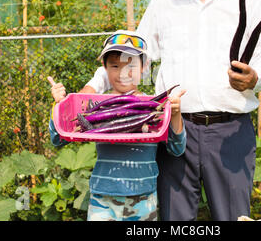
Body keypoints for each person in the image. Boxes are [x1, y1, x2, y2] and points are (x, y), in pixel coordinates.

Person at [82, 0, 261, 221]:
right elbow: (136, 55)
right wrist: (93, 87)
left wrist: (255, 78)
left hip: (231, 131)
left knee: (233, 217)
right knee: (175, 220)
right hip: (174, 129)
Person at [48, 30, 187, 221]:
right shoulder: (95, 107)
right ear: (104, 68)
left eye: (131, 65)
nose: (123, 73)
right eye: (114, 65)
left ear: (144, 67)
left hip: (143, 199)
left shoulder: (155, 108)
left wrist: (176, 114)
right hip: (102, 199)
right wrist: (59, 105)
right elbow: (58, 139)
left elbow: (177, 148)